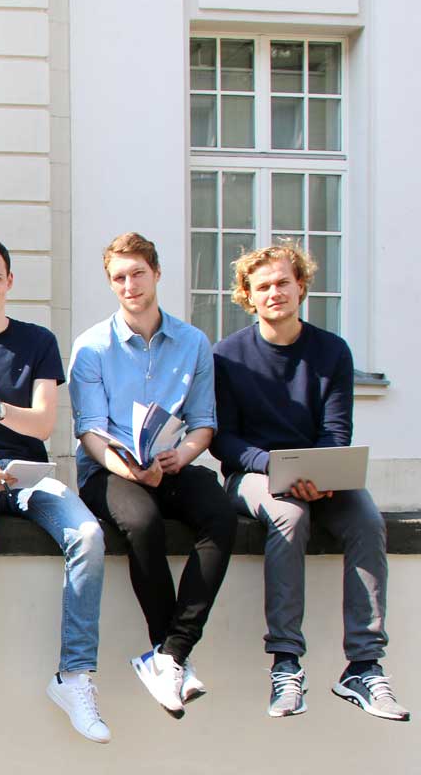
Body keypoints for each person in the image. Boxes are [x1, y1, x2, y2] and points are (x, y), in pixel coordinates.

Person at [212, 244, 409, 721]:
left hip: (323, 473)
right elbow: (223, 440)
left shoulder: (332, 351)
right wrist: (274, 467)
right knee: (288, 514)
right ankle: (286, 662)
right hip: (252, 475)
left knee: (367, 519)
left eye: (283, 282)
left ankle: (363, 665)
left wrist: (320, 472)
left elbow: (337, 429)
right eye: (263, 286)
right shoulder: (226, 356)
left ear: (301, 286)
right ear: (248, 296)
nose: (274, 292)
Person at [0, 237, 109, 744]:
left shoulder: (39, 341)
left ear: (9, 281)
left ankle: (75, 676)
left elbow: (45, 423)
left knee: (89, 536)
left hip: (31, 472)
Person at [68, 231, 235, 719]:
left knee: (221, 515)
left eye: (138, 273)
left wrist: (183, 455)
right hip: (110, 469)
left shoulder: (193, 342)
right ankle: (168, 651)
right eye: (119, 277)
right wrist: (133, 471)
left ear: (157, 273)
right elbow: (90, 433)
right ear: (110, 283)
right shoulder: (92, 346)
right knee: (142, 523)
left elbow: (203, 422)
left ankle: (170, 654)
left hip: (171, 462)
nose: (130, 285)